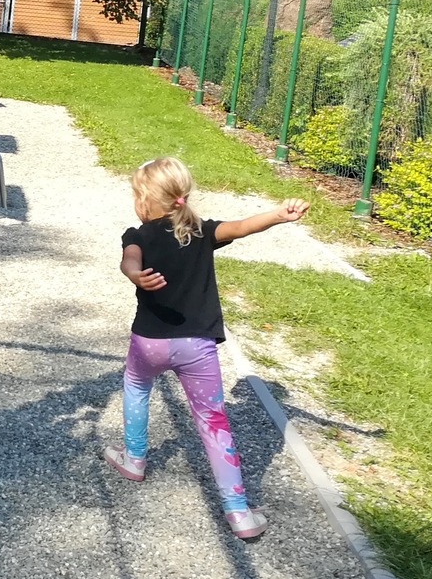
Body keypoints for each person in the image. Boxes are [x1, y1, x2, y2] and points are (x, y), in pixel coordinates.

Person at [104, 156, 309, 540]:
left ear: (145, 199)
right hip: (197, 347)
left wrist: (136, 276)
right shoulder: (202, 232)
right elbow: (242, 227)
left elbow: (129, 261)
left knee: (136, 386)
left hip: (149, 343)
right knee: (213, 422)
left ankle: (134, 459)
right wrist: (278, 215)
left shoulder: (137, 235)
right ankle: (239, 512)